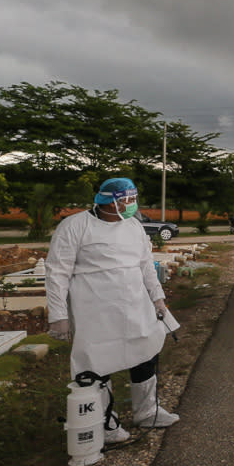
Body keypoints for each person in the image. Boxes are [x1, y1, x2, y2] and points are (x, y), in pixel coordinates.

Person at [46, 177, 179, 444]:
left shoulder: (133, 226)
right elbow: (57, 272)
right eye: (126, 200)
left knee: (145, 353)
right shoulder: (74, 226)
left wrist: (158, 299)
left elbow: (145, 266)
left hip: (135, 304)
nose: (132, 205)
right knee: (96, 363)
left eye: (133, 199)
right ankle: (105, 423)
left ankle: (147, 411)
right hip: (94, 309)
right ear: (108, 200)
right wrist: (58, 315)